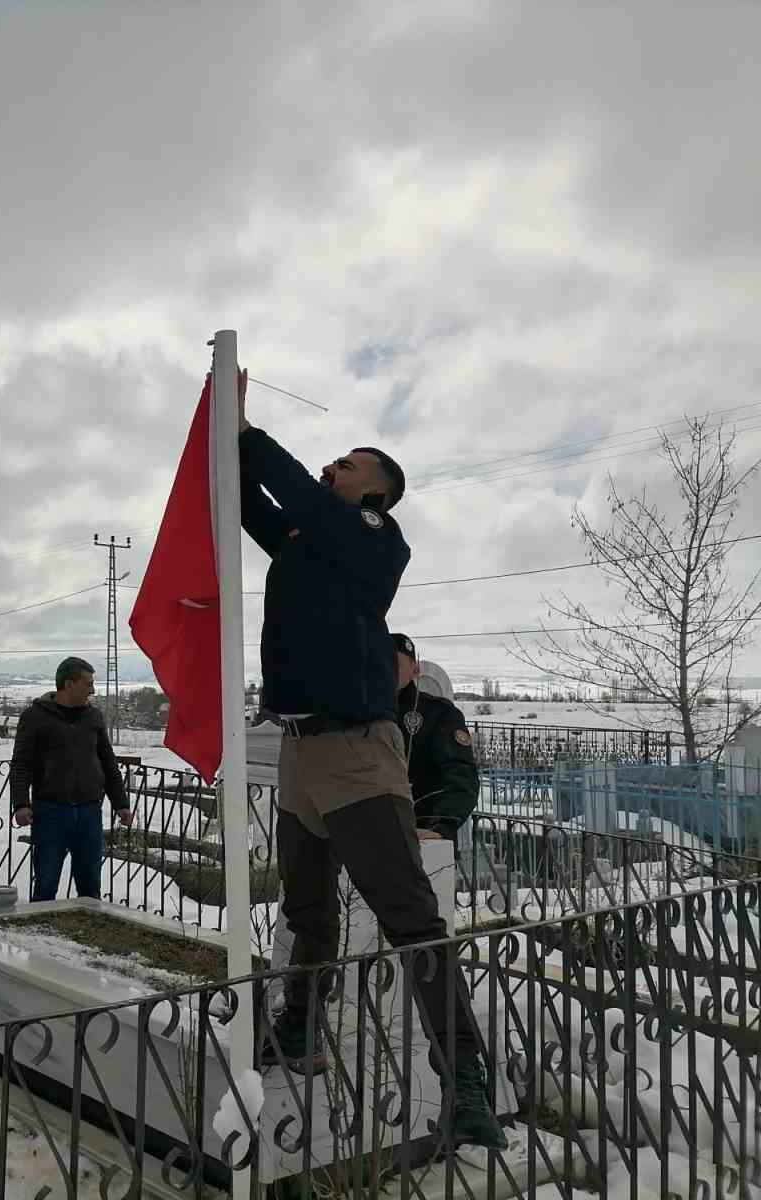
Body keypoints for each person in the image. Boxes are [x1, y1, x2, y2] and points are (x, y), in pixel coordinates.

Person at [235, 367, 505, 1150]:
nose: (331, 470)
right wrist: (226, 439)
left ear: (376, 493)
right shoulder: (311, 539)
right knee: (308, 914)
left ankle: (466, 1081)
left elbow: (301, 495)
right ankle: (297, 1030)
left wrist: (250, 432)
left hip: (357, 752)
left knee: (409, 918)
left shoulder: (375, 539)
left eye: (347, 465)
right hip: (300, 752)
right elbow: (257, 505)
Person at [9, 657, 134, 903]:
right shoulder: (35, 717)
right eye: (87, 684)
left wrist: (121, 804)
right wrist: (21, 804)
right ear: (68, 684)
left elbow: (108, 763)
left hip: (89, 811)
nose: (93, 690)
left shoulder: (93, 717)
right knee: (45, 885)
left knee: (90, 888)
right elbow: (21, 765)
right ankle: (41, 937)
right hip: (50, 812)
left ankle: (85, 938)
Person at [392, 633, 479, 843]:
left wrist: (441, 825)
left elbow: (461, 775)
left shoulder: (438, 714)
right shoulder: (356, 716)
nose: (386, 670)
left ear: (415, 668)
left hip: (422, 836)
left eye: (395, 663)